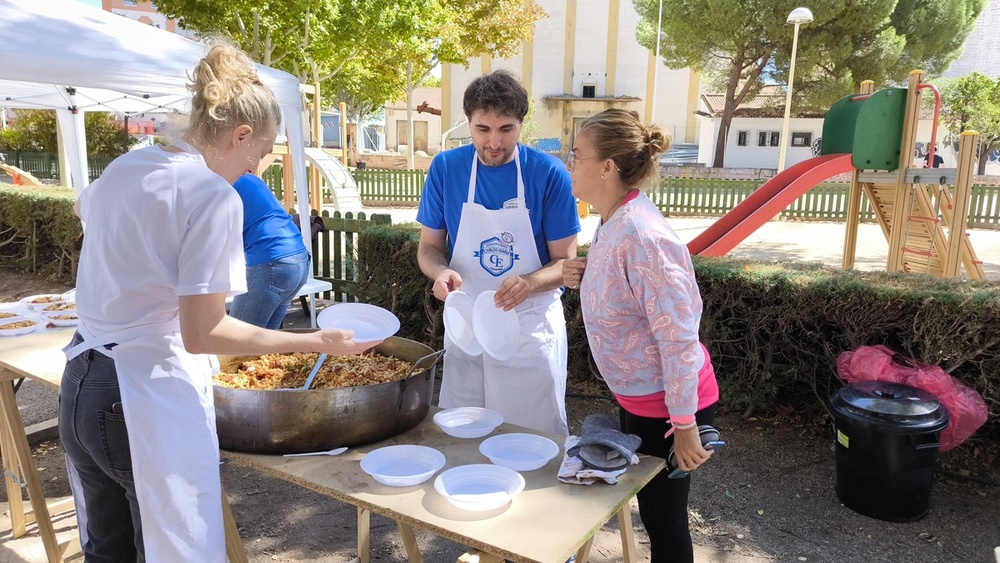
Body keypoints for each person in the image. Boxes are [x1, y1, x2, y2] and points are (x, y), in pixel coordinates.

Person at [58, 43, 375, 562]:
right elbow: (203, 333)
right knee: (175, 549)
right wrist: (313, 340)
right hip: (137, 397)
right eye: (263, 153)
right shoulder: (210, 195)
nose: (261, 167)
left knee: (107, 551)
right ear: (241, 135)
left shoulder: (126, 168)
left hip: (82, 383)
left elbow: (84, 208)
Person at [561, 108, 720, 563]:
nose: (570, 164)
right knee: (652, 510)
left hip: (671, 407)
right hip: (642, 397)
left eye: (577, 155)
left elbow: (679, 339)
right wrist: (589, 274)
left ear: (607, 166)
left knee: (664, 519)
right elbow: (630, 291)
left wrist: (685, 427)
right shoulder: (613, 219)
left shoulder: (643, 236)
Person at [415, 70, 581, 436]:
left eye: (506, 129)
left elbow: (567, 264)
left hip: (527, 328)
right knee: (465, 434)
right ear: (468, 123)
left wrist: (529, 282)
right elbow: (428, 248)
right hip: (468, 324)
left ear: (521, 124)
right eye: (482, 129)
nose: (494, 142)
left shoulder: (548, 173)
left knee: (531, 437)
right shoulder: (446, 168)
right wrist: (439, 273)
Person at [229, 172, 310, 329]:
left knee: (236, 340)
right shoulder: (249, 178)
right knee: (264, 342)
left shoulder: (222, 180)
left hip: (273, 263)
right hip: (298, 259)